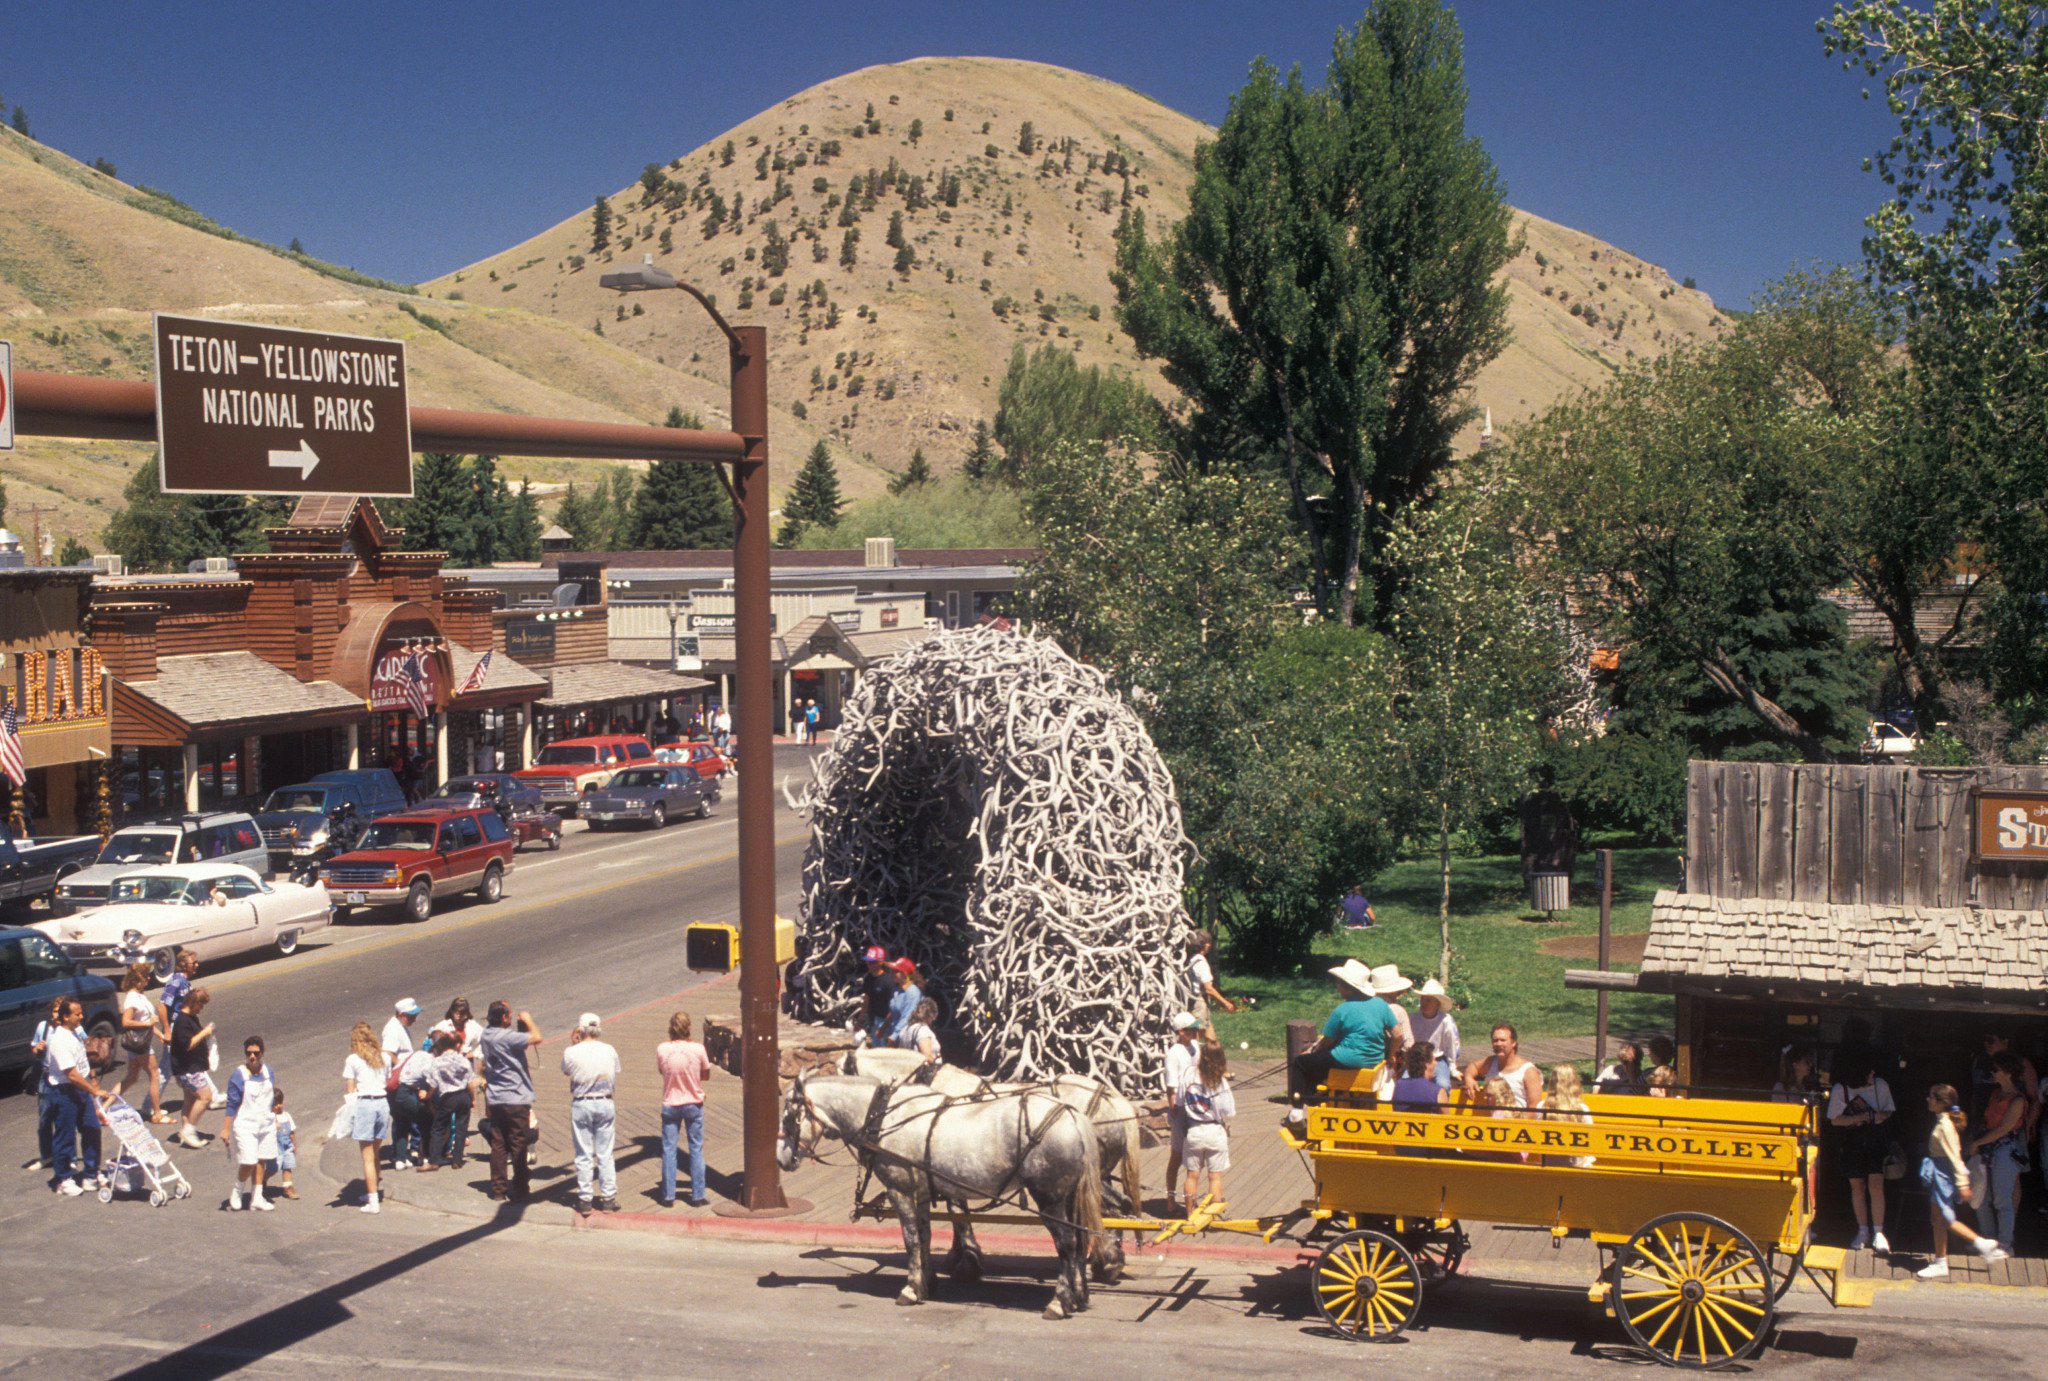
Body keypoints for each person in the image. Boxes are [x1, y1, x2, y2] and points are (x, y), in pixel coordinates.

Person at [1917, 1084, 2008, 1278]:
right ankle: (1941, 1262)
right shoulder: (1942, 1120)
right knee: (1937, 1219)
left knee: (1945, 1218)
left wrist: (1963, 1184)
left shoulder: (1945, 1126)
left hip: (1943, 1176)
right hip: (1939, 1174)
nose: (1928, 1100)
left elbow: (1955, 1157)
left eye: (1931, 1097)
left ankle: (1981, 1243)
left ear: (1941, 1103)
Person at [1289, 959, 1398, 1102]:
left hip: (1347, 1058)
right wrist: (1390, 1055)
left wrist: (1312, 1051)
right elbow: (1398, 1034)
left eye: (1339, 983)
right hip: (1374, 1058)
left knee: (1301, 1063)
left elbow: (1327, 1042)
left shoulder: (1342, 1010)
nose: (1337, 987)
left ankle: (1297, 1112)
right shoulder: (1380, 1004)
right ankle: (1315, 1100)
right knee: (1317, 1063)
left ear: (1348, 987)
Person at [1827, 1051, 1895, 1253]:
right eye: (1869, 1070)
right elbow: (1834, 1119)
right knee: (1857, 1186)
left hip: (1875, 1137)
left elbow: (1889, 1111)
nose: (1873, 1073)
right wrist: (1860, 1118)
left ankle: (1879, 1232)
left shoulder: (1880, 1085)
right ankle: (1863, 1230)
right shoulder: (1841, 1088)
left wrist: (1873, 1117)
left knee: (1876, 1184)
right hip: (1853, 1139)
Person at [481, 1001, 544, 1202]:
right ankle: (520, 1188)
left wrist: (519, 1030)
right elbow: (537, 1038)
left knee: (498, 1143)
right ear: (503, 1018)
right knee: (519, 1143)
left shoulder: (486, 1035)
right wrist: (528, 1020)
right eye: (507, 1015)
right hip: (515, 1097)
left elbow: (515, 1046)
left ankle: (498, 1188)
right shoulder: (507, 1036)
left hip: (496, 1097)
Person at [42, 998, 104, 1196]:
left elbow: (84, 1065)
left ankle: (91, 1174)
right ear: (65, 1016)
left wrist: (92, 1084)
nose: (81, 1017)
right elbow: (71, 1074)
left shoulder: (75, 1033)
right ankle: (63, 1179)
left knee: (92, 1129)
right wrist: (94, 1091)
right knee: (65, 1137)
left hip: (81, 1090)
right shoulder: (59, 1040)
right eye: (77, 1014)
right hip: (64, 1093)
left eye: (81, 1013)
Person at [1970, 1052, 2030, 1257]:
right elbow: (1987, 1122)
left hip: (2004, 1150)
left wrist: (1978, 1142)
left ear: (2007, 1072)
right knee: (1981, 1197)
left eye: (1995, 1070)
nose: (1992, 1073)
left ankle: (2005, 1244)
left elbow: (2004, 1128)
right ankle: (1988, 1241)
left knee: (2002, 1199)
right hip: (1988, 1149)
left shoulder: (2018, 1101)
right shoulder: (1996, 1094)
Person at [562, 1012, 622, 1214]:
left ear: (580, 1030)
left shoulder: (572, 1052)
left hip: (582, 1103)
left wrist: (573, 1044)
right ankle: (608, 1198)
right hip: (605, 1102)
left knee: (583, 1154)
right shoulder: (609, 1050)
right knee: (606, 1153)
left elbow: (566, 1070)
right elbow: (616, 1070)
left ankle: (585, 1199)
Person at [657, 1011, 712, 1207]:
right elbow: (705, 1075)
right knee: (695, 1149)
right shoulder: (698, 1049)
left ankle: (668, 1195)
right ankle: (697, 1195)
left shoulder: (662, 1049)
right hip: (693, 1103)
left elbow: (662, 1071)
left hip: (671, 1102)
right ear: (688, 1028)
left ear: (671, 1029)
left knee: (669, 1150)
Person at [222, 1036, 278, 1211]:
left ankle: (257, 1197)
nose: (252, 1056)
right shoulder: (238, 1075)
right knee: (249, 1162)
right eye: (249, 1053)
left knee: (261, 1160)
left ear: (262, 1053)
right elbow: (231, 1103)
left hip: (265, 1124)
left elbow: (270, 1099)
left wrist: (275, 1118)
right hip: (246, 1125)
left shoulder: (268, 1072)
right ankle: (237, 1191)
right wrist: (225, 1129)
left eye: (255, 1053)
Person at [1179, 1042, 1235, 1218]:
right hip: (1214, 1130)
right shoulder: (1220, 1082)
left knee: (1192, 1175)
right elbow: (1229, 1111)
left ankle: (1189, 1213)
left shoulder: (1188, 1074)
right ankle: (1213, 1215)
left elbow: (1180, 1100)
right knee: (1214, 1176)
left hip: (1193, 1131)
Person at [342, 1021, 391, 1214]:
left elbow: (350, 1090)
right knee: (375, 1152)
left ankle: (372, 1201)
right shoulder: (384, 1057)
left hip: (365, 1104)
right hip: (382, 1104)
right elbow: (385, 1079)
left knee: (367, 1156)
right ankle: (374, 1192)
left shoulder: (353, 1060)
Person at [113, 966, 170, 1124]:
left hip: (141, 1042)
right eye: (145, 976)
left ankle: (103, 1108)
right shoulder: (131, 997)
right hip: (139, 1043)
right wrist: (148, 1023)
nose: (148, 978)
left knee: (131, 1078)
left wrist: (159, 1034)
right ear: (137, 978)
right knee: (155, 1074)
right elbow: (126, 1021)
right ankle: (157, 1113)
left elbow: (148, 1022)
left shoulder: (139, 995)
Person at [169, 986, 218, 1150]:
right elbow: (187, 1044)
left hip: (190, 1067)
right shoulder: (182, 1021)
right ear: (193, 1002)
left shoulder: (190, 1017)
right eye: (200, 1005)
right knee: (205, 1097)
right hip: (187, 1068)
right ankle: (189, 1130)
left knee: (190, 1099)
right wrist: (204, 1032)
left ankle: (186, 1131)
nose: (201, 1008)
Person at [1162, 1012, 1201, 1210]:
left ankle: (1190, 1198)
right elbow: (1171, 1086)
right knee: (1176, 1157)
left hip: (1197, 1105)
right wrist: (1173, 1110)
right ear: (1181, 1031)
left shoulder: (1195, 1047)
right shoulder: (1174, 1053)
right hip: (1181, 1107)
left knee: (1195, 1155)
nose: (1195, 1031)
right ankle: (1170, 1200)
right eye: (1191, 1029)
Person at [422, 1030, 474, 1170]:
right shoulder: (463, 1060)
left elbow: (433, 1084)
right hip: (463, 1095)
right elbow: (470, 1083)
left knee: (438, 1127)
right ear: (457, 1045)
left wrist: (428, 1097)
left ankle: (435, 1159)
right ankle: (457, 1159)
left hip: (448, 1097)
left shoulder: (437, 1061)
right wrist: (472, 1099)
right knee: (461, 1127)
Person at [1462, 1022, 1542, 1110]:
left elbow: (1534, 1108)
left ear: (1513, 1043)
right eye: (1495, 1041)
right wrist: (1468, 1078)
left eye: (1503, 1040)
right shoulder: (1491, 1062)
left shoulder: (1528, 1071)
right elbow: (1473, 1066)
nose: (1499, 1044)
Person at [389, 1037, 435, 1172]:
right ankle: (426, 1156)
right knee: (426, 1119)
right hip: (404, 1093)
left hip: (393, 1092)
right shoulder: (430, 1060)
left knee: (402, 1123)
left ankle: (400, 1159)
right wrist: (429, 1097)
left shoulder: (414, 1055)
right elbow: (433, 1081)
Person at [28, 996, 63, 1171]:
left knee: (62, 1120)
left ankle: (66, 1157)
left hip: (64, 1079)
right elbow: (34, 1048)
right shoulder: (43, 1027)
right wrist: (38, 1048)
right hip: (46, 1078)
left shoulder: (70, 1028)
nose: (56, 1015)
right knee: (44, 1120)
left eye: (60, 1011)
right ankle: (46, 1156)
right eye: (54, 1011)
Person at [1407, 980, 1460, 1091]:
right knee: (1405, 1082)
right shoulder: (1413, 1019)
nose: (1424, 1003)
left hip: (1437, 1059)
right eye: (1422, 999)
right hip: (1417, 1060)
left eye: (1428, 1000)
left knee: (1443, 1084)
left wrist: (1452, 1068)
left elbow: (1451, 1046)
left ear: (1437, 1004)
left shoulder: (1446, 1021)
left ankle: (1440, 1106)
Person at [1539, 1065, 1596, 1168]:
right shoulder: (1582, 1109)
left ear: (1552, 1081)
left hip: (1547, 1162)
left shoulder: (1540, 1106)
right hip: (1576, 1165)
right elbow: (1591, 1140)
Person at [1187, 930, 1236, 1037]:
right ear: (1205, 944)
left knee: (1208, 1026)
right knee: (1197, 1030)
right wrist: (1225, 1002)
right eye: (1208, 942)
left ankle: (1213, 1052)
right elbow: (1208, 988)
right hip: (1199, 1004)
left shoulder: (1190, 959)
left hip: (1197, 1001)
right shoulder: (1200, 962)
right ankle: (1196, 1052)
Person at [878, 957, 922, 1046]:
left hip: (905, 1038)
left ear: (905, 973)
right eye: (893, 971)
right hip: (893, 1034)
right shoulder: (897, 990)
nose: (893, 974)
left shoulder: (913, 992)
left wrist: (894, 1036)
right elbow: (892, 1012)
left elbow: (907, 1017)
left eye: (896, 971)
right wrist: (883, 1028)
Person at [1390, 1043, 1446, 1113]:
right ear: (1427, 1063)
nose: (1436, 1063)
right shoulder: (1438, 1091)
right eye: (1434, 1060)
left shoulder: (1398, 1085)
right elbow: (1448, 1121)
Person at [268, 1087, 298, 1200]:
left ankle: (288, 1188)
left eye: (280, 1103)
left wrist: (294, 1145)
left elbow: (291, 1132)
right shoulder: (270, 1117)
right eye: (275, 1104)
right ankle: (262, 1180)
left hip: (287, 1146)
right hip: (275, 1147)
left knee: (288, 1166)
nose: (278, 1106)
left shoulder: (286, 1115)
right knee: (273, 1168)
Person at [860, 946, 894, 1042]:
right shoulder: (868, 979)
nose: (869, 965)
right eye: (867, 962)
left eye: (872, 962)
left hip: (886, 1022)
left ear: (880, 962)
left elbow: (893, 1007)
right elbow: (866, 1000)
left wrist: (883, 1028)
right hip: (873, 1020)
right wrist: (860, 1020)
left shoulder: (888, 981)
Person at [894, 997, 941, 1064]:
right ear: (931, 1015)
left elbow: (901, 1054)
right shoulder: (923, 1030)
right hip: (926, 1071)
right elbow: (927, 1057)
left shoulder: (905, 1029)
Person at [382, 998, 420, 1066]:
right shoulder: (393, 1029)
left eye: (415, 1016)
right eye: (411, 1017)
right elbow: (387, 1052)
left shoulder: (401, 1025)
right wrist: (398, 1068)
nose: (414, 1020)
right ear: (400, 1014)